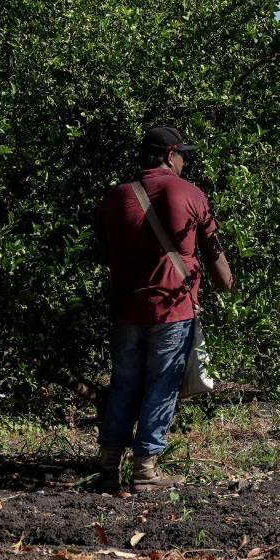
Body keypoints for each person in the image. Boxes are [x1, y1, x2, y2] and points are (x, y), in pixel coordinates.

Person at [94, 126, 234, 494]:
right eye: (182, 154)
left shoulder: (115, 197)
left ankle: (109, 468)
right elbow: (213, 249)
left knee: (123, 383)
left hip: (125, 309)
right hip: (173, 308)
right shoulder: (188, 193)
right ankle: (145, 470)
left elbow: (104, 252)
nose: (184, 161)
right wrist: (227, 285)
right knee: (161, 385)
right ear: (171, 156)